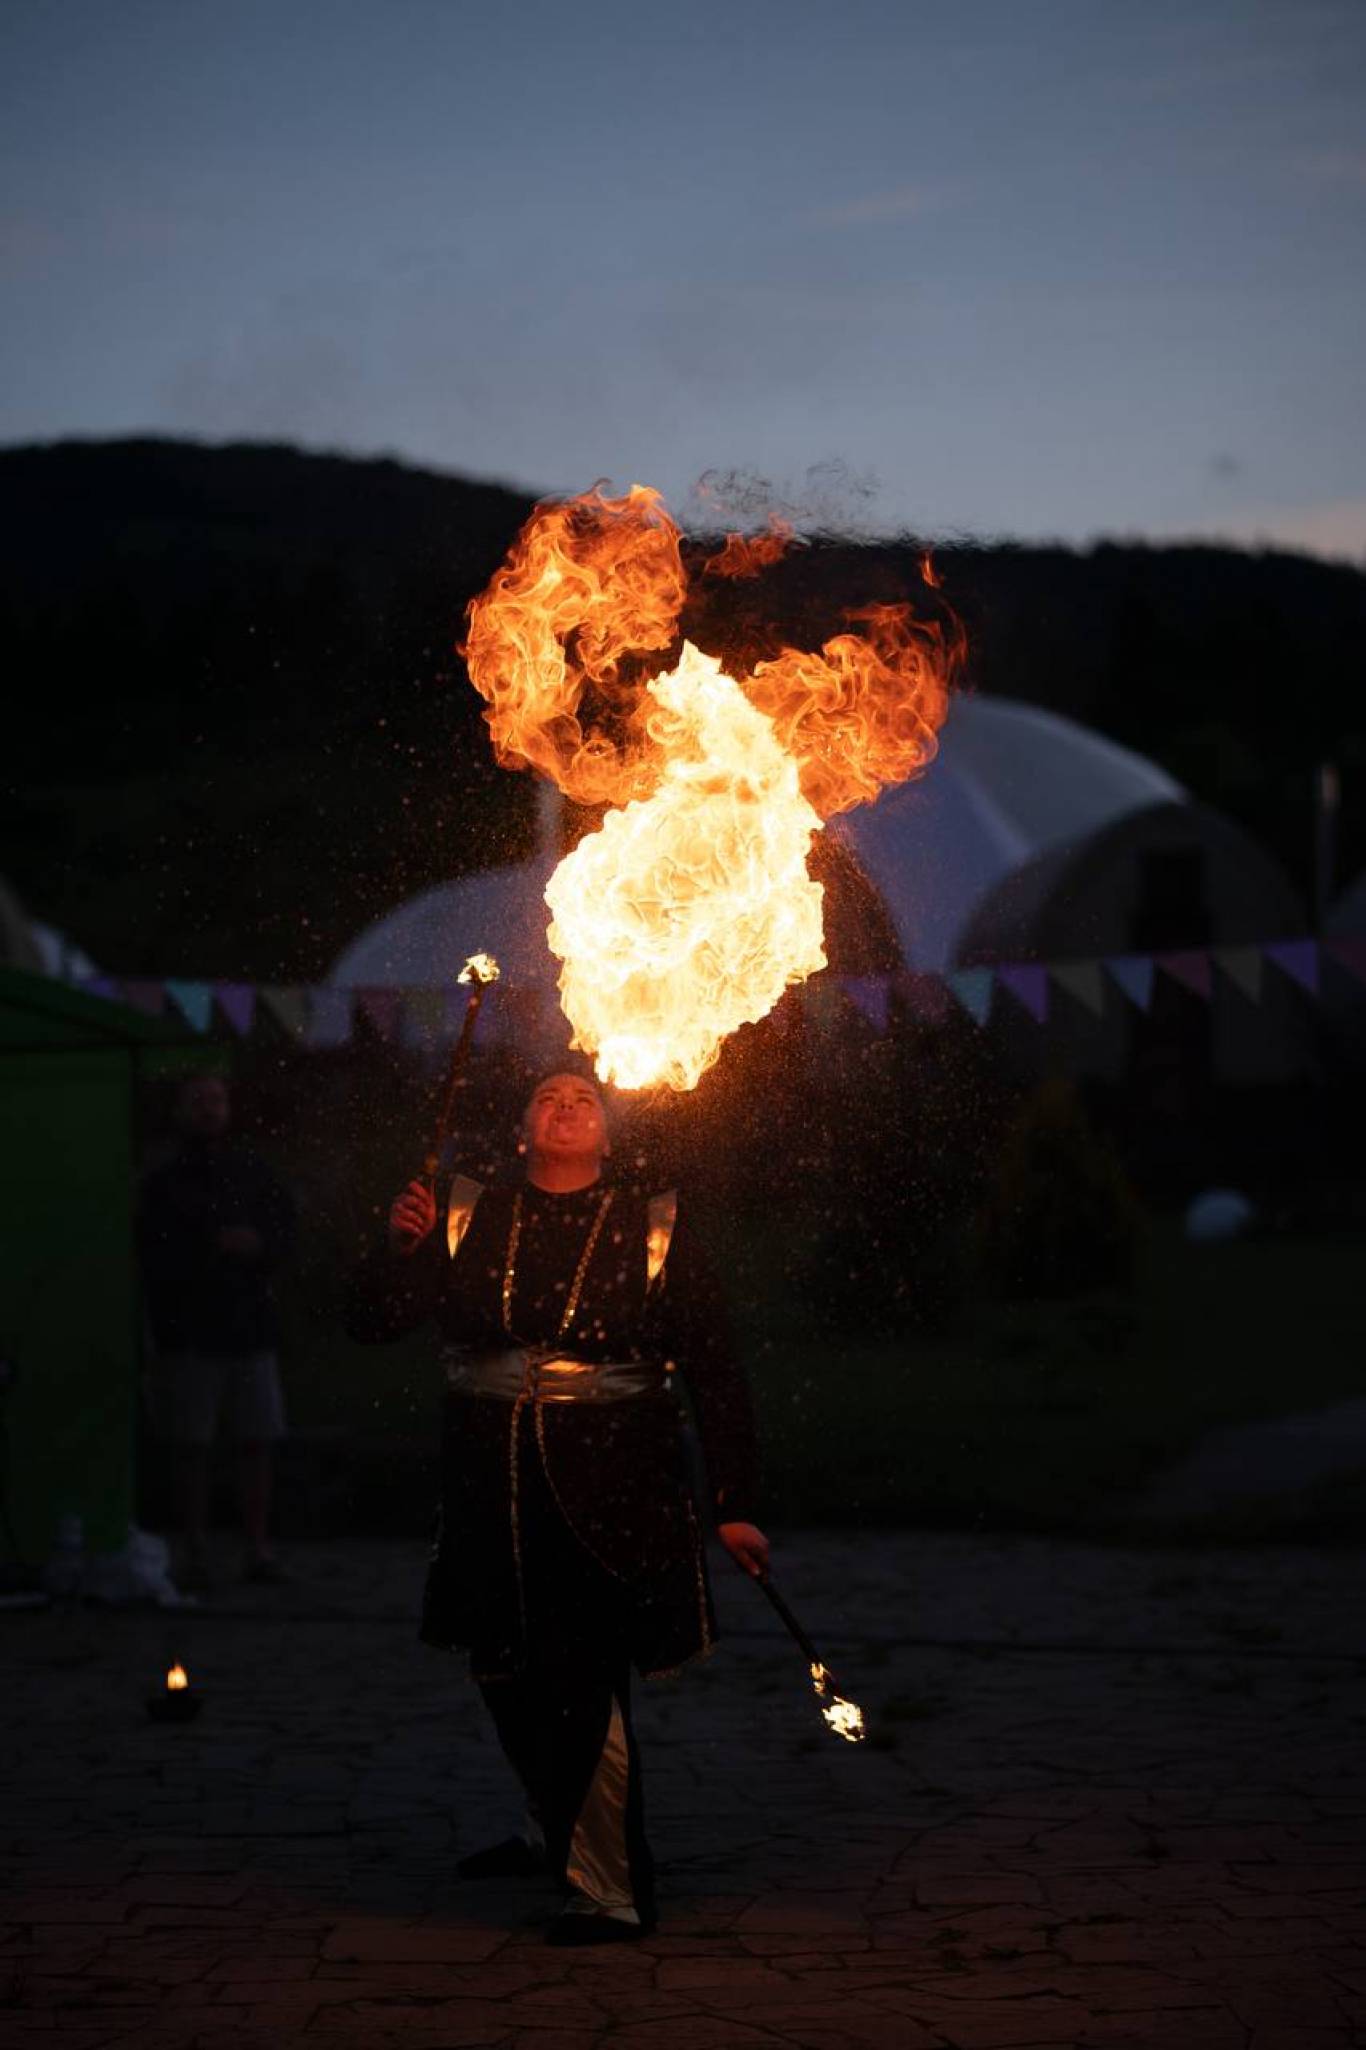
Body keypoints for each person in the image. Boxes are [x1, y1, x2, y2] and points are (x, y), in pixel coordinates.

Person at [347, 1067, 769, 1945]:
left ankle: (610, 1889)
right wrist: (397, 1247)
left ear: (609, 1134)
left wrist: (733, 1500)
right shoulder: (464, 1213)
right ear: (520, 1130)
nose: (567, 1105)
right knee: (501, 1665)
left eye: (584, 1097)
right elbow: (374, 1324)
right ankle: (555, 1823)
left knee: (579, 1671)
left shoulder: (655, 1223)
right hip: (487, 1480)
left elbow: (715, 1370)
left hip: (614, 1479)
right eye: (547, 1096)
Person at [139, 1073, 295, 1588]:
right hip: (190, 1330)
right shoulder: (164, 1179)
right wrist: (208, 1249)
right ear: (180, 1109)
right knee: (192, 1446)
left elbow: (283, 1231)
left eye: (217, 1098)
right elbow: (151, 1250)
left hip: (249, 1326)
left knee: (256, 1441)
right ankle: (194, 1550)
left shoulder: (250, 1169)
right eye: (198, 1099)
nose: (209, 1108)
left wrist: (258, 1246)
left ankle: (256, 1547)